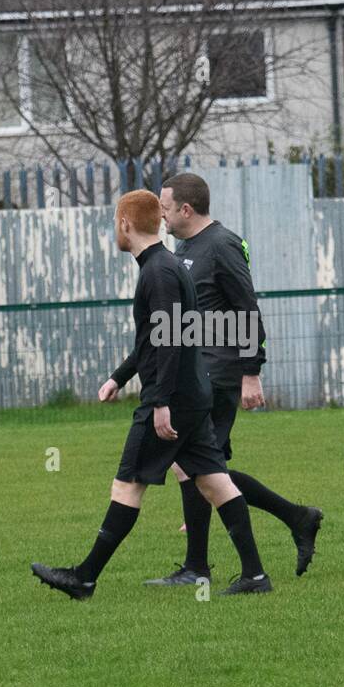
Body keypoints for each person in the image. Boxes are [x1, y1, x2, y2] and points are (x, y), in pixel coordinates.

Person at [31, 189, 272, 599]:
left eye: (114, 222)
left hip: (174, 398)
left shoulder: (158, 272)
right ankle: (255, 576)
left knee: (127, 484)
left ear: (125, 223)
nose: (115, 229)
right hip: (193, 393)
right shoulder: (168, 264)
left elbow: (169, 345)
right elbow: (161, 336)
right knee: (215, 481)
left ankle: (84, 578)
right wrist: (121, 377)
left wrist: (159, 403)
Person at [101, 173, 322, 585]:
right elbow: (168, 329)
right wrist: (123, 374)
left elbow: (246, 308)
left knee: (204, 473)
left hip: (218, 373)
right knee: (202, 471)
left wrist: (251, 371)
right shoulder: (184, 249)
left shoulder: (222, 245)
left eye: (165, 207)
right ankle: (289, 522)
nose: (161, 214)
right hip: (194, 371)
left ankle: (205, 567)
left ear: (186, 209)